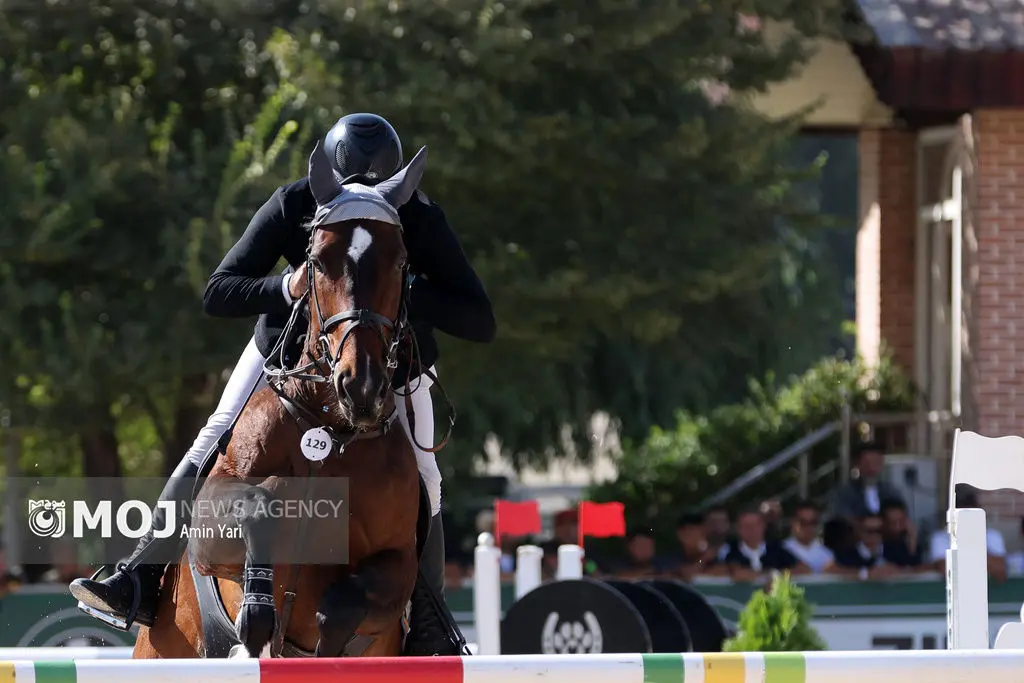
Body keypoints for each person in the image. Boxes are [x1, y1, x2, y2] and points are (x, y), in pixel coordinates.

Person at [70, 113, 496, 655]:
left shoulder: (420, 216)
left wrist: (396, 287)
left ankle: (429, 619)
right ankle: (138, 576)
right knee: (211, 437)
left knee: (429, 477)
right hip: (284, 353)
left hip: (394, 365)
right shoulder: (294, 201)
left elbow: (479, 320)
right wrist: (291, 283)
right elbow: (218, 291)